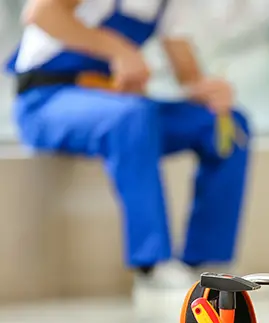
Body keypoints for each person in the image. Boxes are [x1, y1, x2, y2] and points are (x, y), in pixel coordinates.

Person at [6, 0, 250, 299]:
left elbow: (189, 75)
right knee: (133, 116)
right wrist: (119, 50)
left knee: (227, 125)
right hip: (46, 102)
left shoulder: (169, 6)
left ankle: (206, 268)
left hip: (117, 105)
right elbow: (41, 13)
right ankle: (152, 266)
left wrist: (209, 89)